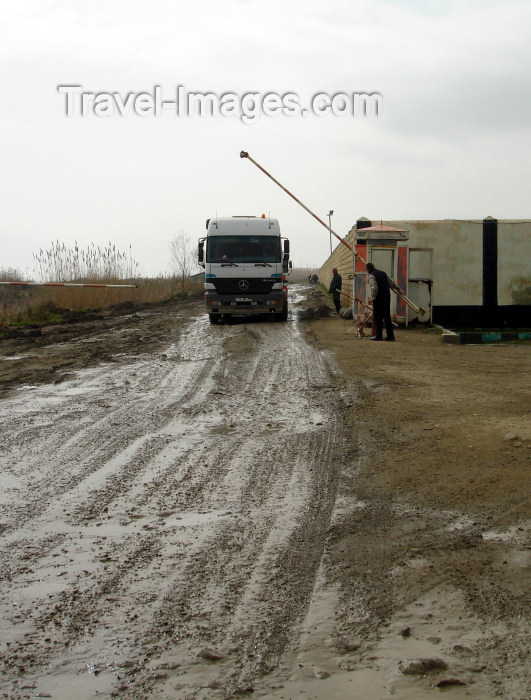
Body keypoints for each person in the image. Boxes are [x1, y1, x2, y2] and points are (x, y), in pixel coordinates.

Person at [366, 262, 400, 341]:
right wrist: (398, 289)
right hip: (387, 297)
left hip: (378, 298)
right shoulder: (383, 273)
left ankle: (378, 336)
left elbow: (374, 288)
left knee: (378, 317)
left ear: (368, 269)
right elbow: (391, 283)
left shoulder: (371, 276)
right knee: (387, 317)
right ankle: (391, 336)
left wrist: (373, 298)